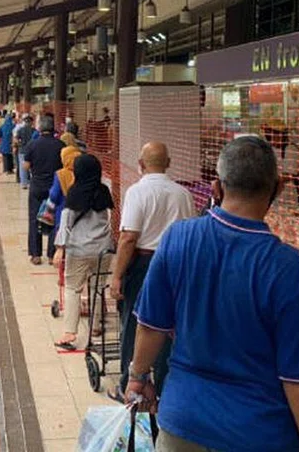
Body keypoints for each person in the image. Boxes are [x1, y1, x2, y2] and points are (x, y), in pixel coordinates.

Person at [126, 136, 299, 452]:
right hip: (258, 433)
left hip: (183, 422)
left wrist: (138, 377)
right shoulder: (288, 268)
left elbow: (151, 325)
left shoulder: (178, 239)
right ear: (278, 189)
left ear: (216, 188)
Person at [108, 141, 194, 402]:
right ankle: (166, 385)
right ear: (168, 163)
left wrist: (117, 276)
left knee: (135, 323)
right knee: (169, 325)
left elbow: (128, 238)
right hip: (177, 264)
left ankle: (129, 384)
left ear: (141, 164)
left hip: (144, 264)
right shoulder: (183, 194)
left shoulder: (137, 192)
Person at [52, 154, 114, 350]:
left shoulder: (75, 192)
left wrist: (59, 249)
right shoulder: (104, 191)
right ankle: (95, 326)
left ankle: (70, 332)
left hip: (79, 250)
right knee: (97, 287)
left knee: (73, 288)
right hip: (103, 249)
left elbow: (66, 223)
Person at [23, 116, 64, 265]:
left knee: (34, 219)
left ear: (40, 128)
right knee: (54, 219)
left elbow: (26, 166)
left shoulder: (32, 144)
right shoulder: (61, 145)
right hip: (55, 186)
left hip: (37, 186)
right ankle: (52, 255)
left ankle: (36, 254)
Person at [48, 141, 82, 238]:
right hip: (81, 213)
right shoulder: (83, 172)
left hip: (62, 210)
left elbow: (54, 196)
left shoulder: (60, 174)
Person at [15, 114, 36, 190]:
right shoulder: (34, 131)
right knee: (32, 167)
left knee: (22, 168)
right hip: (32, 151)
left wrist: (20, 144)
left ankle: (24, 184)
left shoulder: (20, 130)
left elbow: (16, 139)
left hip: (22, 151)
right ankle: (33, 182)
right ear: (31, 122)